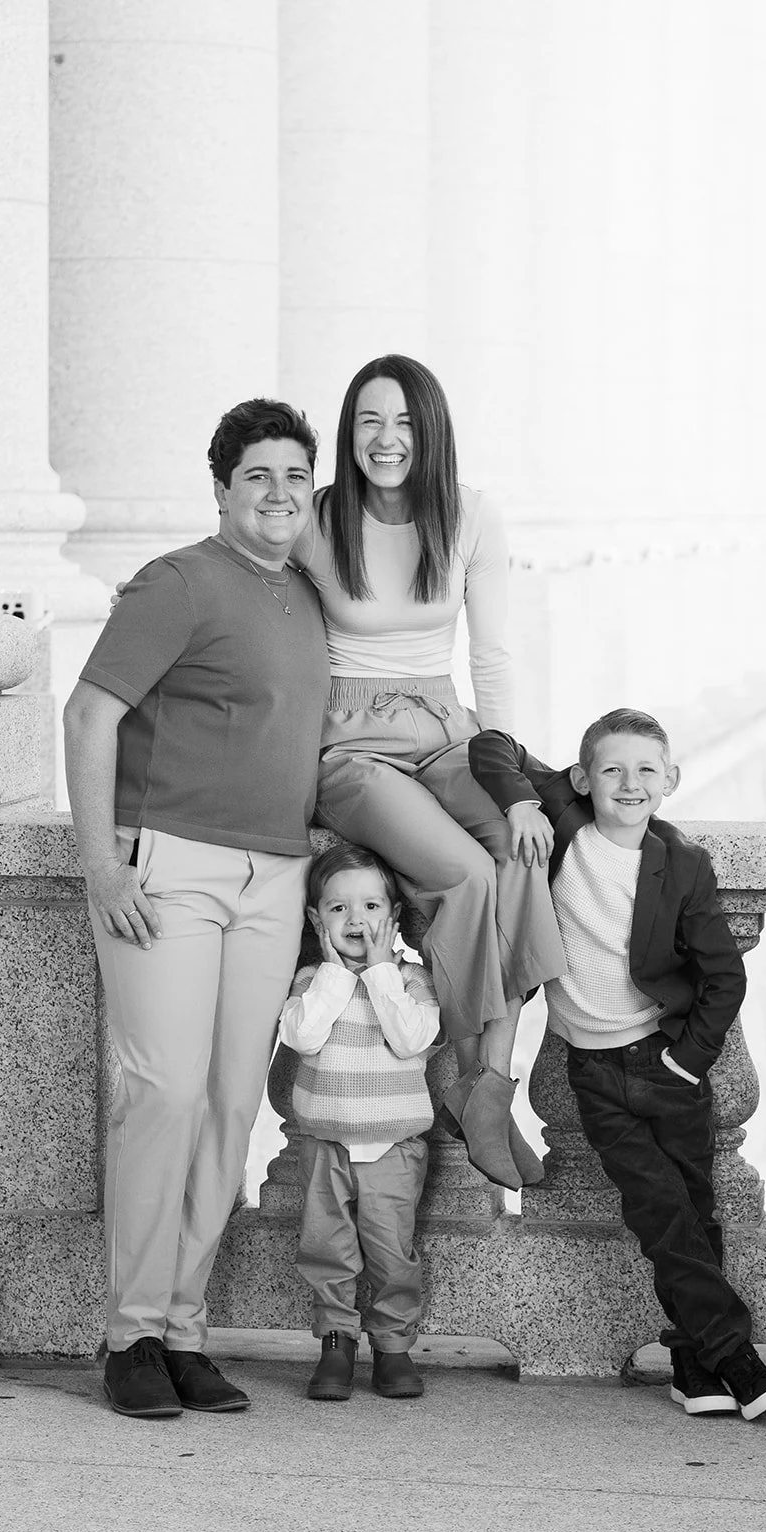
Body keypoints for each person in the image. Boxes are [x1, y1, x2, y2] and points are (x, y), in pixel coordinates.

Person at [63, 398, 329, 1419]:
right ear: (221, 489)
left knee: (229, 1104)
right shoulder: (176, 582)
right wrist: (102, 865)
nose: (279, 494)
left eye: (296, 476)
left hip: (276, 878)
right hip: (171, 868)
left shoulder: (306, 594)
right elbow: (90, 713)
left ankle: (183, 1332)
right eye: (258, 475)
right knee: (164, 1093)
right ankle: (128, 1334)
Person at [468, 708, 766, 1421]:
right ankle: (736, 1357)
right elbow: (490, 746)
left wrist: (688, 1063)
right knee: (661, 1213)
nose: (629, 782)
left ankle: (692, 1362)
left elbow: (724, 977)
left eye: (647, 769)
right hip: (593, 1074)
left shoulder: (682, 864)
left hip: (664, 1065)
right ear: (583, 779)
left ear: (671, 779)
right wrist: (522, 803)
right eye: (612, 769)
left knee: (693, 1216)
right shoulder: (563, 821)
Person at [293, 354, 567, 1191]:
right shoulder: (317, 517)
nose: (387, 439)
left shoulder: (472, 515)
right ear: (350, 433)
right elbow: (244, 574)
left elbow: (492, 656)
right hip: (351, 743)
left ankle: (490, 1083)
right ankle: (469, 1076)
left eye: (406, 421)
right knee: (466, 874)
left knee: (520, 850)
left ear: (433, 430)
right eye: (370, 421)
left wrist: (514, 787)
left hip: (447, 727)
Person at [279, 843, 439, 1402]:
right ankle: (336, 1344)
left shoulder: (411, 980)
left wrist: (380, 973)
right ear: (315, 919)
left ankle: (393, 1347)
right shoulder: (311, 980)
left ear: (394, 917)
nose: (356, 920)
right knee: (327, 1249)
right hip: (325, 1144)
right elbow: (301, 1036)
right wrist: (334, 974)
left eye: (371, 907)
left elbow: (411, 1039)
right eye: (338, 908)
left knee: (392, 1251)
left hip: (393, 1147)